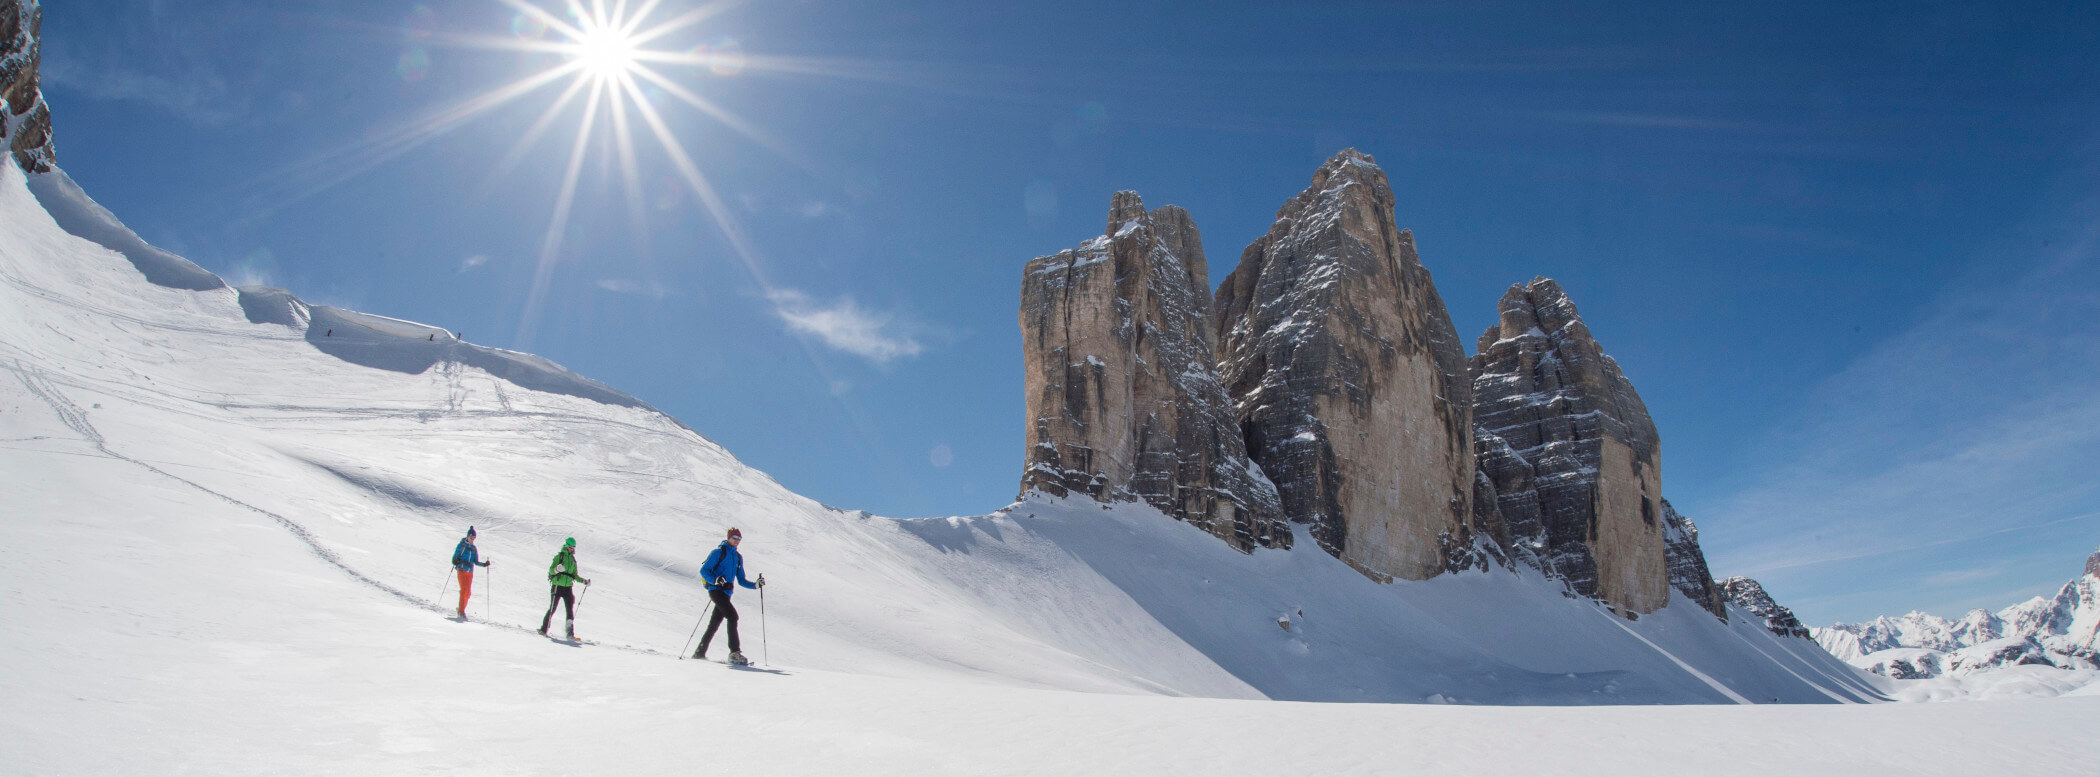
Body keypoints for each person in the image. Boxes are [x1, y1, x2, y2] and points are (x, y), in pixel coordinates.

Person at [693, 527, 762, 664]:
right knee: (733, 616)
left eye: (739, 539)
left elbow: (741, 580)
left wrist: (755, 585)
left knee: (714, 624)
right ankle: (734, 653)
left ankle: (699, 653)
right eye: (734, 538)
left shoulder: (737, 557)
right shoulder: (718, 552)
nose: (737, 541)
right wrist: (715, 580)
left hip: (727, 593)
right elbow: (704, 570)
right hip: (716, 591)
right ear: (728, 537)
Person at [540, 537, 592, 639]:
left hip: (568, 588)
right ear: (566, 546)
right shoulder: (559, 556)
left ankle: (570, 634)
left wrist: (584, 581)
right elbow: (551, 571)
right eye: (571, 547)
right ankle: (543, 630)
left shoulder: (573, 560)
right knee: (552, 608)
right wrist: (556, 569)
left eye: (573, 547)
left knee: (569, 610)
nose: (572, 549)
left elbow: (575, 576)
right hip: (557, 585)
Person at [450, 527, 491, 619]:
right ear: (468, 536)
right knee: (463, 590)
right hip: (461, 569)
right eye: (471, 537)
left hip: (470, 571)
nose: (472, 540)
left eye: (474, 538)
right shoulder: (462, 545)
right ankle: (461, 611)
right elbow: (455, 556)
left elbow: (476, 561)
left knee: (468, 593)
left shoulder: (474, 548)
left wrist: (484, 564)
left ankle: (461, 609)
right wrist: (455, 561)